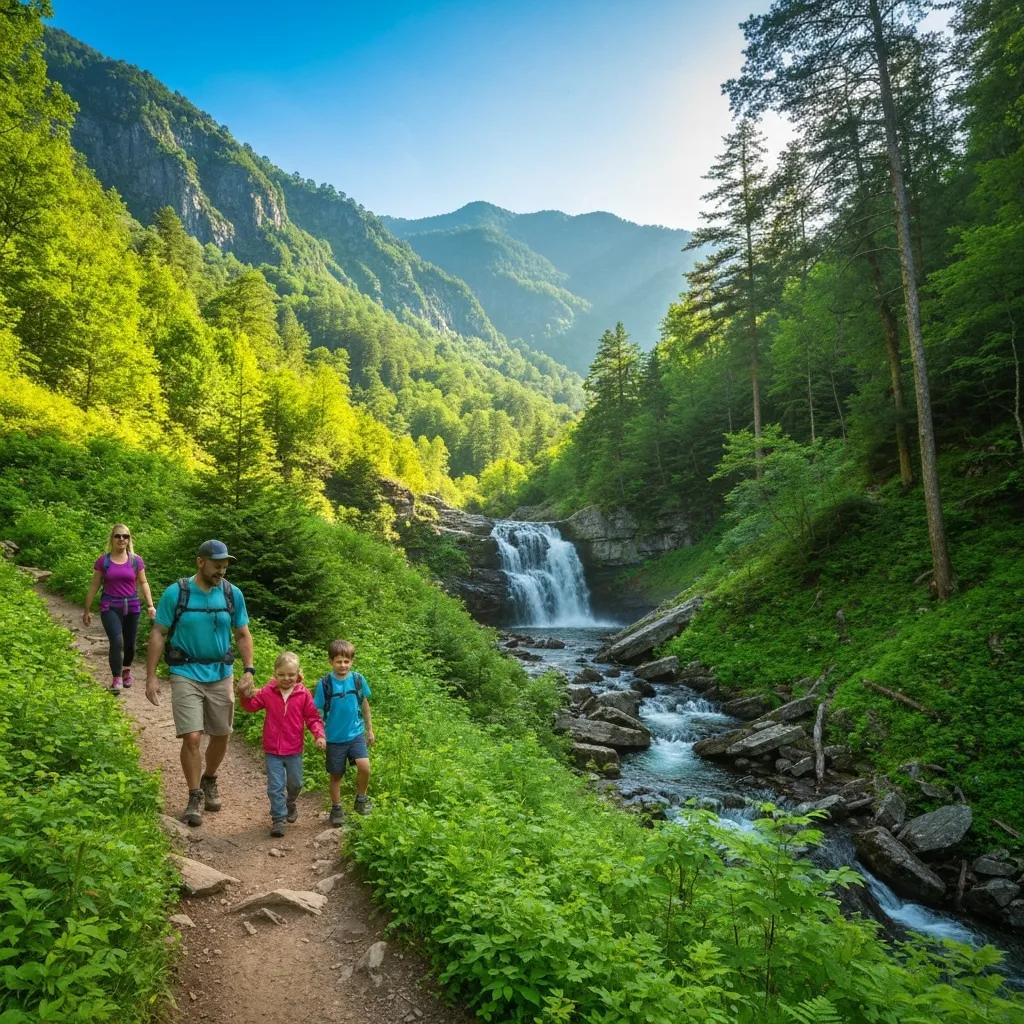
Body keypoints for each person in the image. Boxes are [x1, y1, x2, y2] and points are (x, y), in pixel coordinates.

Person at [145, 539, 255, 827]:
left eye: (225, 566)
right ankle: (194, 795)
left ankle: (210, 778)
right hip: (185, 672)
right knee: (192, 736)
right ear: (200, 562)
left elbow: (242, 634)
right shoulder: (177, 592)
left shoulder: (232, 594)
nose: (222, 571)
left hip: (221, 673)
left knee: (221, 733)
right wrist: (151, 676)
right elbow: (159, 633)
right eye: (217, 565)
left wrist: (249, 670)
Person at [238, 652, 327, 837]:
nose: (286, 678)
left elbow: (312, 717)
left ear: (298, 674)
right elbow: (251, 706)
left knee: (296, 783)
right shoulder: (268, 692)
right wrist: (244, 696)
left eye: (291, 675)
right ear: (275, 674)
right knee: (275, 786)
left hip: (294, 748)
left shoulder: (303, 694)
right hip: (272, 749)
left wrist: (319, 735)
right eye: (282, 674)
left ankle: (290, 802)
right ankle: (278, 819)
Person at [83, 523, 156, 693]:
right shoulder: (103, 561)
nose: (121, 539)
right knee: (117, 641)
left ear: (129, 539)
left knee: (130, 644)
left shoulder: (136, 561)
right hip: (110, 606)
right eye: (118, 536)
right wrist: (87, 609)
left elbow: (143, 582)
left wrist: (150, 605)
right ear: (112, 539)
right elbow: (94, 585)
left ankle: (126, 670)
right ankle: (116, 678)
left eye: (125, 536)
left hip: (132, 606)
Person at [312, 639, 375, 826]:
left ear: (352, 662)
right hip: (334, 738)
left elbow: (365, 705)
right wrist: (319, 735)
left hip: (356, 733)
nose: (343, 665)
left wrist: (370, 730)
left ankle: (361, 798)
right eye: (339, 661)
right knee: (336, 775)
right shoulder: (324, 684)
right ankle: (337, 808)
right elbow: (317, 712)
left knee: (365, 767)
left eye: (346, 661)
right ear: (331, 661)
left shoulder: (358, 680)